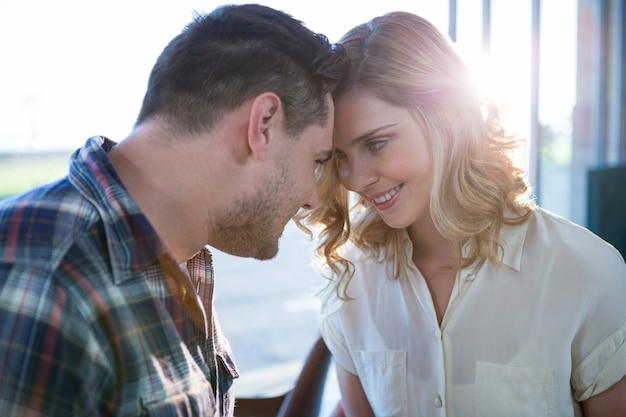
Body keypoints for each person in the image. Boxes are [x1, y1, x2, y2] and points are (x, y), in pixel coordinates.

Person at [0, 4, 348, 416]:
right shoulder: (44, 276)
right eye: (315, 161)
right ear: (264, 124)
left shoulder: (181, 256)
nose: (312, 196)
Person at [298, 11, 626, 417]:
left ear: (448, 117)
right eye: (341, 156)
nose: (356, 178)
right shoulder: (348, 283)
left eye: (377, 144)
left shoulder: (586, 274)